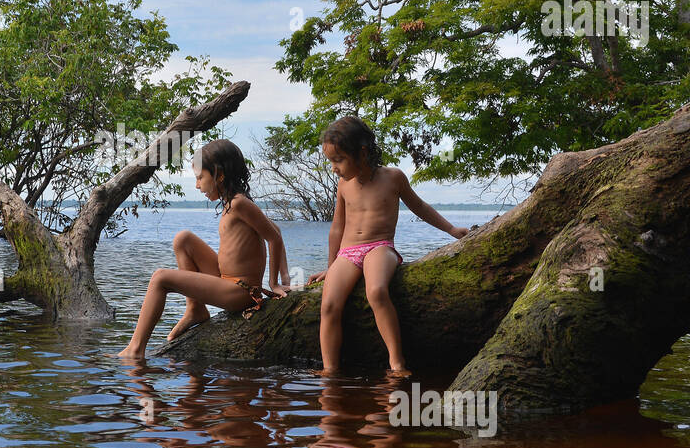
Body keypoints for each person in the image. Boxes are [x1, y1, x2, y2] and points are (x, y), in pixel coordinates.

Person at [308, 116, 469, 377]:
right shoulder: (343, 185)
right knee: (328, 304)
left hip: (379, 247)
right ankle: (330, 369)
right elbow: (337, 228)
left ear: (361, 152)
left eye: (338, 160)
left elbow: (420, 207)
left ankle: (396, 363)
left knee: (377, 291)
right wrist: (331, 267)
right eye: (330, 162)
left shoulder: (393, 178)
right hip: (347, 253)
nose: (334, 168)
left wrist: (451, 229)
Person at [117, 139, 289, 359]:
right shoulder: (231, 203)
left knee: (160, 278)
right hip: (226, 280)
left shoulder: (239, 203)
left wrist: (276, 283)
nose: (197, 185)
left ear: (219, 175)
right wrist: (284, 278)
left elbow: (273, 238)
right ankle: (195, 309)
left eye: (200, 178)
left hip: (240, 290)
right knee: (183, 239)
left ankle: (135, 349)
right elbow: (277, 232)